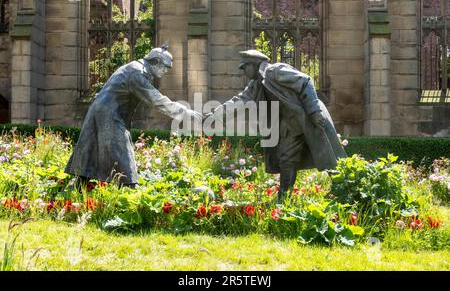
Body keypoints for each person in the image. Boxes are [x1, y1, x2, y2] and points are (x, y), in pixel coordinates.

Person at [205, 50, 346, 199]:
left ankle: (344, 191)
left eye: (245, 67)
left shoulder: (275, 71)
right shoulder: (255, 85)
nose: (243, 71)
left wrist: (314, 110)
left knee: (329, 158)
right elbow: (238, 102)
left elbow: (306, 81)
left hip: (308, 118)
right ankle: (283, 199)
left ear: (254, 64)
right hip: (290, 126)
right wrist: (214, 116)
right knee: (287, 160)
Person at [65, 45, 202, 187]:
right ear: (155, 62)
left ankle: (77, 190)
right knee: (123, 157)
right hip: (109, 114)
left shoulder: (136, 68)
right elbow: (156, 99)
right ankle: (130, 192)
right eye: (164, 67)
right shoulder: (137, 73)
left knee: (91, 157)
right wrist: (184, 112)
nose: (166, 71)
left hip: (102, 111)